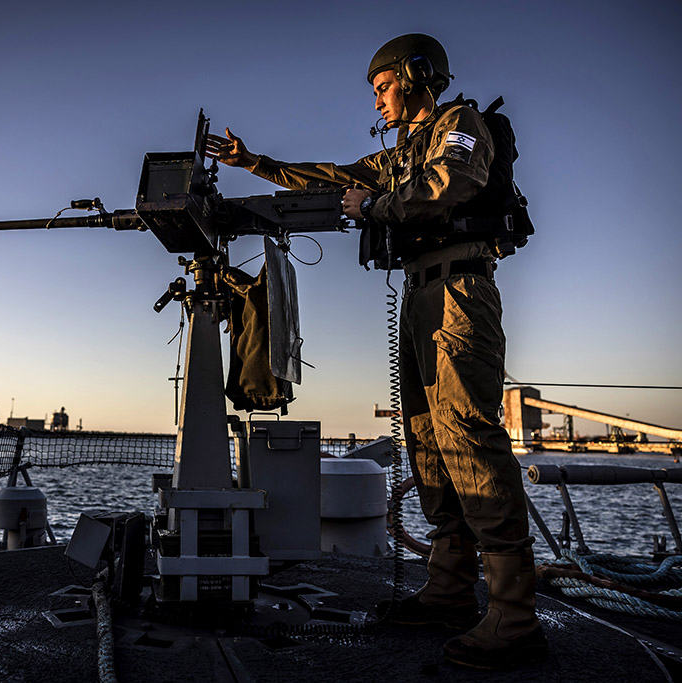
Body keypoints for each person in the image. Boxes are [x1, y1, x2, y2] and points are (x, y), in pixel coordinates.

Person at [206, 33, 546, 669]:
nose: (379, 101)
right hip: (422, 292)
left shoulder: (460, 124)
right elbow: (332, 177)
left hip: (459, 292)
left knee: (469, 437)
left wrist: (380, 206)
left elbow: (455, 182)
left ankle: (515, 615)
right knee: (426, 440)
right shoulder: (400, 154)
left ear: (417, 76)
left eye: (385, 87)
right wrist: (255, 163)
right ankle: (449, 588)